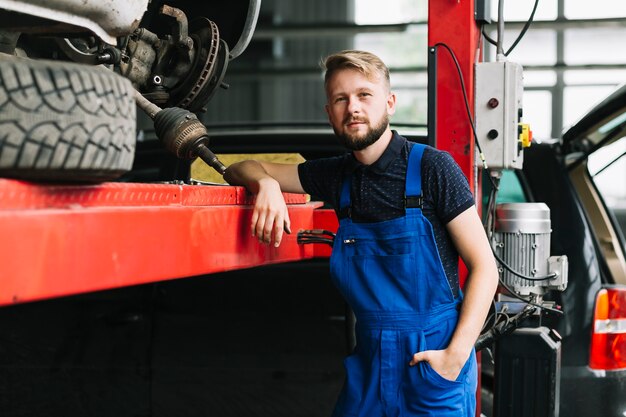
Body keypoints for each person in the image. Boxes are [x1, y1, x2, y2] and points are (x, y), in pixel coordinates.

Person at [224, 50, 498, 417]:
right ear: (329, 113)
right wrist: (267, 184)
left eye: (364, 95)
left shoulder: (433, 168)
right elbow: (238, 168)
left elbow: (485, 267)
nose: (352, 107)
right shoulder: (336, 176)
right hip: (370, 364)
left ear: (390, 103)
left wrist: (457, 355)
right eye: (341, 99)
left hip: (432, 361)